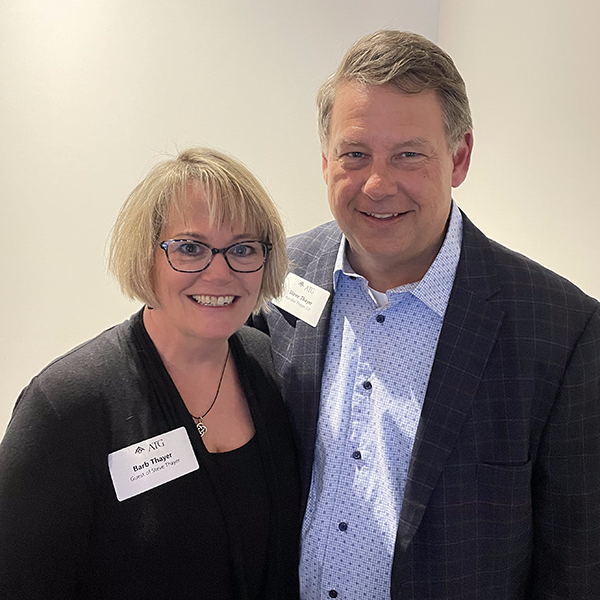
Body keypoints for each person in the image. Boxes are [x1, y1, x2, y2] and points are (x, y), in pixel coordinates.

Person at [251, 30, 600, 599]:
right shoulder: (275, 278)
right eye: (355, 154)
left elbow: (577, 563)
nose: (377, 184)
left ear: (459, 158)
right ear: (325, 161)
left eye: (408, 155)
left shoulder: (562, 333)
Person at [0, 147, 300, 599]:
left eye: (242, 249)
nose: (220, 272)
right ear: (147, 256)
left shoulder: (275, 367)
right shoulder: (67, 406)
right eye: (190, 248)